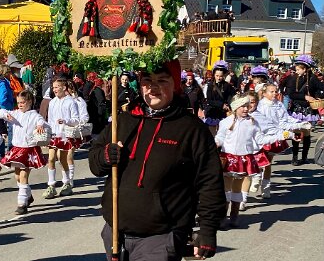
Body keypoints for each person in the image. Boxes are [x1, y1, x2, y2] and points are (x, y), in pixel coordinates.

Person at [89, 60, 226, 261]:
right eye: (147, 80)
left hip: (161, 237)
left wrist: (207, 229)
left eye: (162, 80)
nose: (153, 87)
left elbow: (210, 182)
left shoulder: (191, 129)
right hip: (115, 233)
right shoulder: (124, 121)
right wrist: (105, 156)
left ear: (175, 85)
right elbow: (95, 162)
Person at [215, 93, 291, 228]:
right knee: (226, 190)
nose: (246, 108)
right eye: (243, 106)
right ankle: (222, 217)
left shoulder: (253, 122)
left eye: (247, 106)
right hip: (228, 159)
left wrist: (282, 135)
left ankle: (234, 215)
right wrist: (215, 143)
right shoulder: (225, 122)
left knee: (236, 189)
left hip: (243, 158)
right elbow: (220, 137)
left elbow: (261, 140)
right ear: (235, 107)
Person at [250, 85, 310, 198]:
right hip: (261, 136)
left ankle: (265, 186)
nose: (274, 94)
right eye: (271, 92)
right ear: (264, 93)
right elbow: (261, 123)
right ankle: (256, 177)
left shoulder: (279, 104)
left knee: (268, 162)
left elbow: (285, 120)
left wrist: (300, 123)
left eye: (275, 91)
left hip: (276, 135)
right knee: (258, 159)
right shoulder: (260, 106)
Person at [0, 90, 48, 214]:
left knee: (23, 175)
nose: (20, 105)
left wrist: (40, 125)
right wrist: (5, 114)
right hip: (17, 148)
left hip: (29, 148)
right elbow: (1, 111)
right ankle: (28, 195)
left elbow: (41, 121)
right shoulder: (16, 113)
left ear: (29, 102)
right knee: (17, 176)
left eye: (23, 102)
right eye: (18, 103)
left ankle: (22, 204)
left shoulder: (34, 115)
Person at [43, 76, 79, 199]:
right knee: (51, 158)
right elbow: (50, 119)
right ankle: (51, 185)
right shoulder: (52, 102)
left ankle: (66, 182)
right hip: (54, 134)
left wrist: (65, 121)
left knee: (62, 158)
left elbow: (76, 120)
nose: (54, 90)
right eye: (53, 88)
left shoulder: (71, 101)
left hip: (65, 135)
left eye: (57, 87)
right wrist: (46, 129)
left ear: (64, 88)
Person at [285, 54, 324, 165]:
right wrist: (305, 97)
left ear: (305, 69)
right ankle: (295, 157)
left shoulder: (313, 79)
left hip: (308, 110)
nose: (296, 71)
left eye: (298, 69)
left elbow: (322, 88)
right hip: (297, 109)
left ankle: (304, 157)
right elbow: (291, 94)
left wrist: (318, 96)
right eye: (296, 69)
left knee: (306, 132)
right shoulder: (293, 79)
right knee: (296, 132)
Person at [203, 60, 236, 134]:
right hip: (212, 113)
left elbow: (232, 96)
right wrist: (221, 105)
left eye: (220, 76)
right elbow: (209, 100)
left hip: (223, 114)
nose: (219, 78)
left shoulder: (227, 85)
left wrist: (228, 104)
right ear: (214, 75)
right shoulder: (210, 85)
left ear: (223, 75)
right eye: (217, 76)